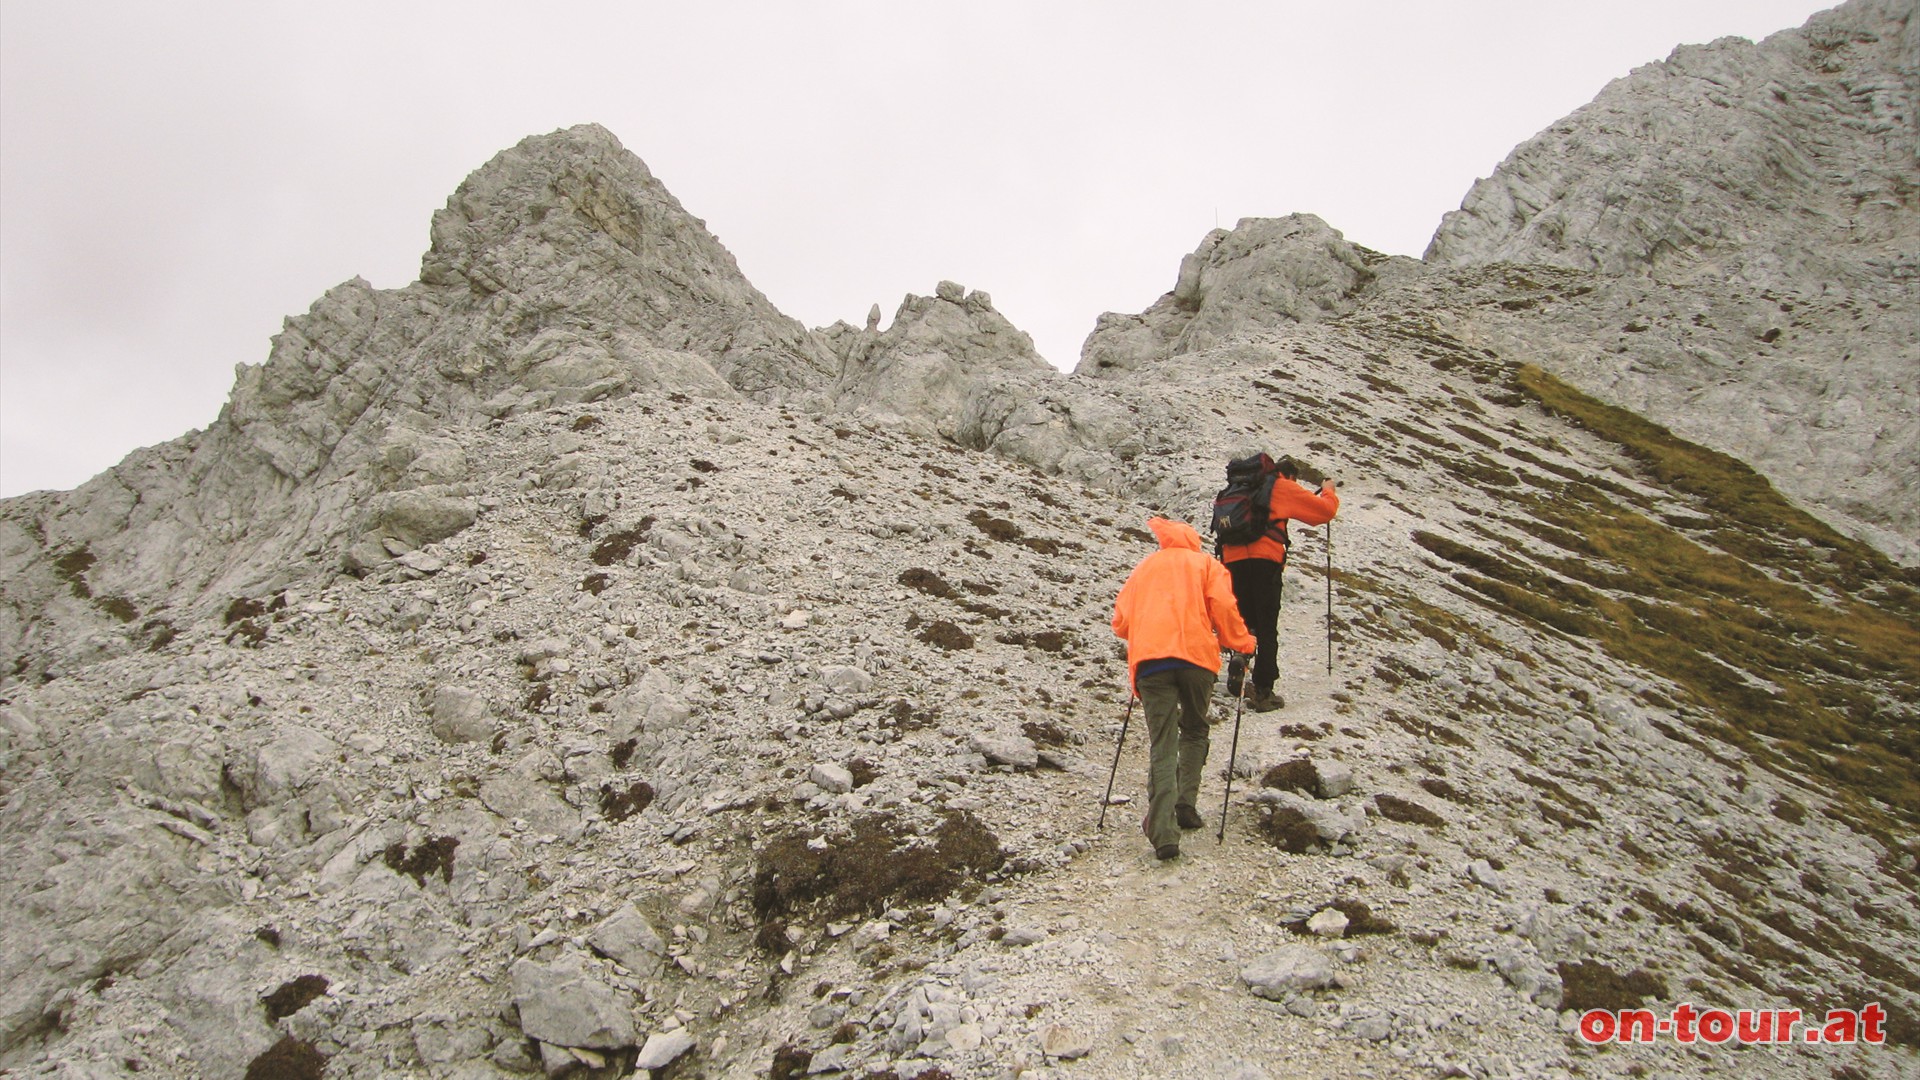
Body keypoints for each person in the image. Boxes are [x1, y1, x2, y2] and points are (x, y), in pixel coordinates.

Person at [1111, 516, 1257, 860]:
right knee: (1194, 729)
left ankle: (1163, 832)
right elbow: (1222, 606)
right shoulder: (1207, 563)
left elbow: (1120, 621)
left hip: (1151, 663)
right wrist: (1242, 642)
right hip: (1196, 660)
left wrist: (1148, 632)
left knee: (1162, 743)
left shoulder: (1144, 568)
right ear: (1193, 541)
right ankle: (1185, 804)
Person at [1219, 455, 1339, 712]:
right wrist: (1328, 491)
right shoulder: (1282, 486)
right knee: (1266, 624)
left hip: (1232, 559)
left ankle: (1240, 657)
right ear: (1290, 475)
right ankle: (1263, 691)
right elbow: (1324, 513)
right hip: (1265, 560)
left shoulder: (1238, 489)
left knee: (1243, 619)